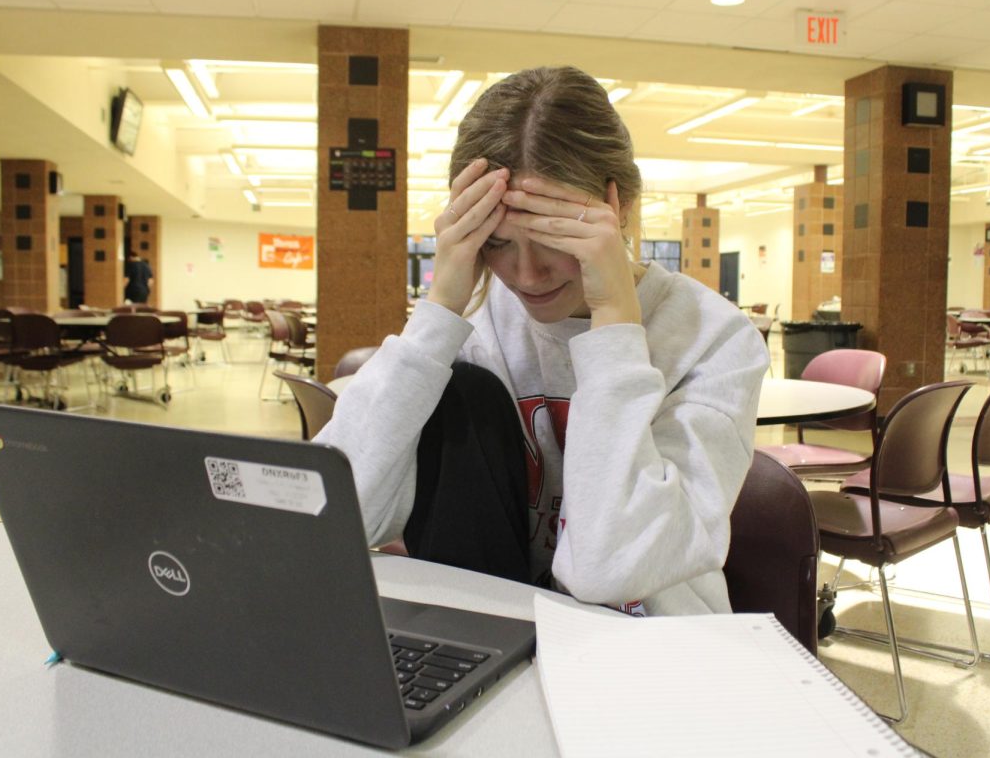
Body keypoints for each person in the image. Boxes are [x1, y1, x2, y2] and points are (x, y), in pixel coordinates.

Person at [316, 66, 769, 616]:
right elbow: (332, 518)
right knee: (466, 389)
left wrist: (614, 321)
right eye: (498, 243)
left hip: (648, 650)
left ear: (619, 206)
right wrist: (438, 312)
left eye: (556, 237)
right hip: (493, 638)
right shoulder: (479, 325)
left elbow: (612, 569)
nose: (526, 275)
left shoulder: (713, 339)